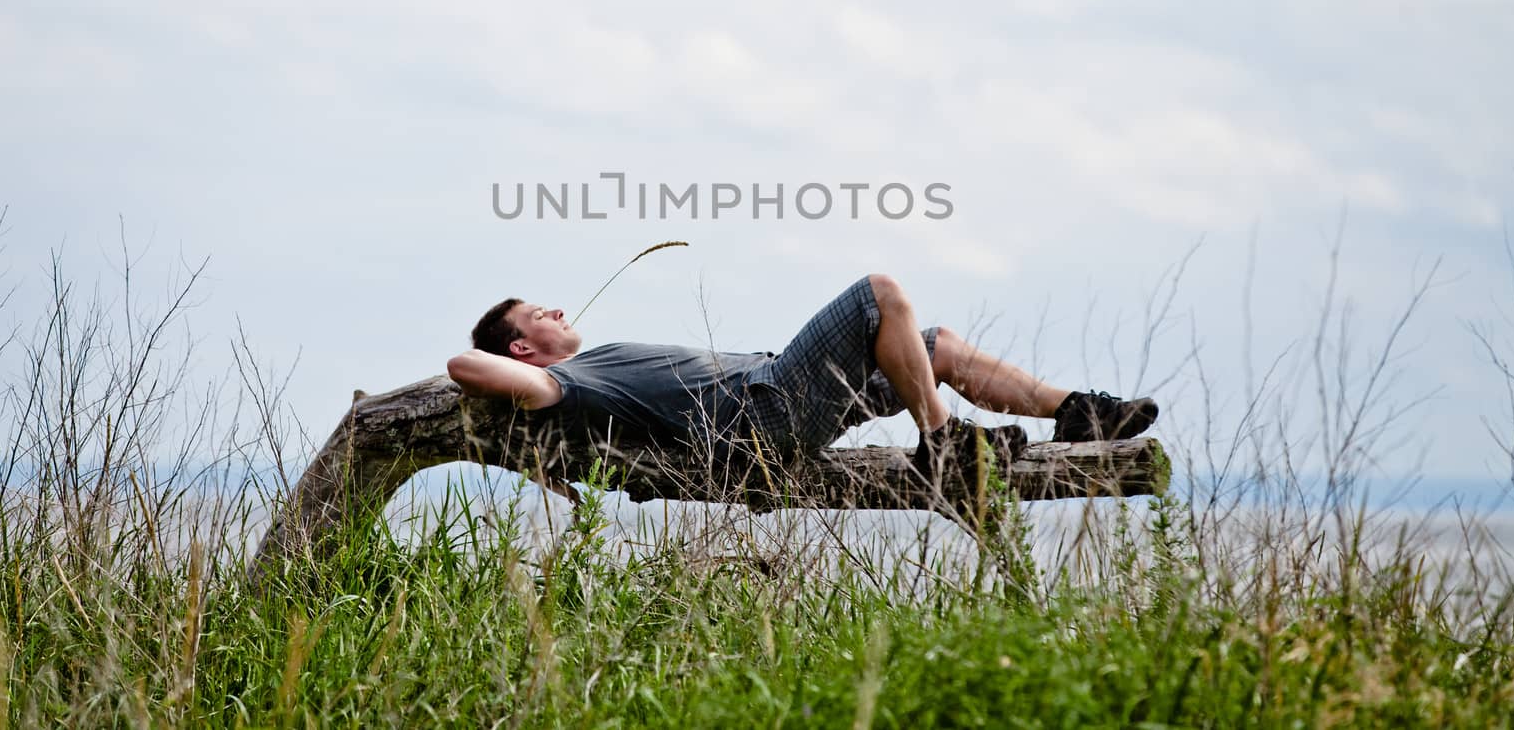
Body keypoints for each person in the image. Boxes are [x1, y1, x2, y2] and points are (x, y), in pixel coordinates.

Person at [446, 274, 1158, 478]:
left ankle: (1075, 410)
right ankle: (941, 442)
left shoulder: (584, 367)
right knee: (879, 294)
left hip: (783, 391)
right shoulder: (569, 384)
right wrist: (503, 367)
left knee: (934, 342)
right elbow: (460, 366)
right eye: (540, 312)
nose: (559, 307)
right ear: (523, 353)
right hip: (767, 415)